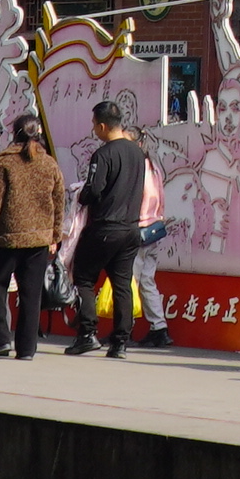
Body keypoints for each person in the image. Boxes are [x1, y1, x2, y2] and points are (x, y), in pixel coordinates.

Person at [0, 114, 63, 358]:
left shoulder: (1, 163)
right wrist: (54, 235)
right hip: (38, 239)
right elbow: (59, 201)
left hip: (6, 238)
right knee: (31, 295)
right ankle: (27, 349)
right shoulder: (49, 163)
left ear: (14, 133)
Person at [65, 100, 152, 358]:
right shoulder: (138, 153)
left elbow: (94, 190)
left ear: (102, 126)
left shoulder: (102, 155)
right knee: (122, 284)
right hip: (130, 229)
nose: (94, 130)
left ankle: (87, 334)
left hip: (104, 228)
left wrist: (81, 196)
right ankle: (120, 342)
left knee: (83, 278)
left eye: (94, 125)